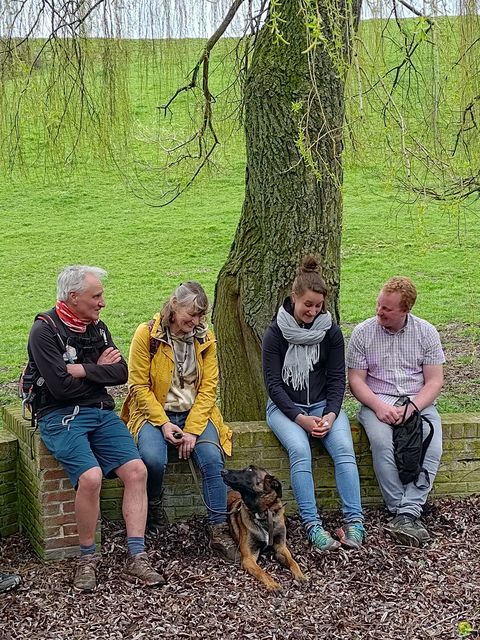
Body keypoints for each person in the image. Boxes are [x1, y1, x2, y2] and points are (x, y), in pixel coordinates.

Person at [28, 265, 164, 591]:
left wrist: (77, 370)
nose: (103, 302)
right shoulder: (44, 331)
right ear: (73, 297)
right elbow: (59, 390)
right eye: (96, 296)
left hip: (99, 413)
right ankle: (86, 558)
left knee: (136, 470)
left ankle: (137, 556)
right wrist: (94, 373)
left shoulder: (97, 328)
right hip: (58, 415)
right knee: (91, 477)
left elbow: (120, 373)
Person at [121, 281, 236, 562]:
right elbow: (137, 386)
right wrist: (163, 424)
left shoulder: (205, 339)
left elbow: (209, 388)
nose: (195, 322)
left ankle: (218, 528)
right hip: (153, 412)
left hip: (193, 412)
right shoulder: (146, 334)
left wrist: (193, 431)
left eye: (200, 316)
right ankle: (154, 503)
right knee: (152, 458)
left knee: (211, 457)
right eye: (191, 315)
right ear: (175, 306)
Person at [262, 255, 365, 552]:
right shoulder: (275, 333)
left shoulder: (330, 332)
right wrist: (300, 418)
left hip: (323, 407)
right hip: (285, 409)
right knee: (300, 449)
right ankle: (313, 526)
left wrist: (331, 415)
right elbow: (273, 385)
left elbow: (336, 380)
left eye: (318, 306)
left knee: (344, 450)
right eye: (308, 304)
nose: (313, 310)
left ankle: (354, 522)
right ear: (294, 297)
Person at [347, 276, 444, 547]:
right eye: (379, 305)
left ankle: (407, 512)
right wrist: (379, 407)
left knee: (432, 445)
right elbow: (356, 380)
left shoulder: (426, 332)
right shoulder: (363, 332)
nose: (379, 312)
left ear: (406, 310)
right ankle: (399, 508)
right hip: (376, 400)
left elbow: (435, 380)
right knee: (381, 442)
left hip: (417, 400)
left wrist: (413, 408)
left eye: (387, 309)